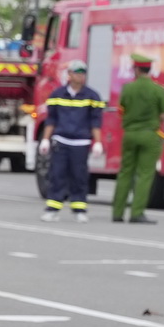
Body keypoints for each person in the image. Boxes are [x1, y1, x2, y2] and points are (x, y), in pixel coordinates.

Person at [38, 59, 106, 221]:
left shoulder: (92, 96)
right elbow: (51, 119)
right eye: (77, 73)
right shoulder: (57, 95)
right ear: (69, 74)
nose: (80, 76)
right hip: (61, 140)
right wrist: (45, 139)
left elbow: (95, 122)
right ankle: (53, 209)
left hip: (81, 143)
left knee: (79, 176)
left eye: (83, 73)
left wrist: (98, 142)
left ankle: (79, 210)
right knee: (57, 175)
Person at [112, 52, 164, 224]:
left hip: (130, 134)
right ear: (149, 70)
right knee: (145, 174)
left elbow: (121, 111)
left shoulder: (128, 89)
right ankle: (137, 213)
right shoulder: (158, 90)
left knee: (125, 173)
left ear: (136, 69)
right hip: (149, 135)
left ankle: (117, 212)